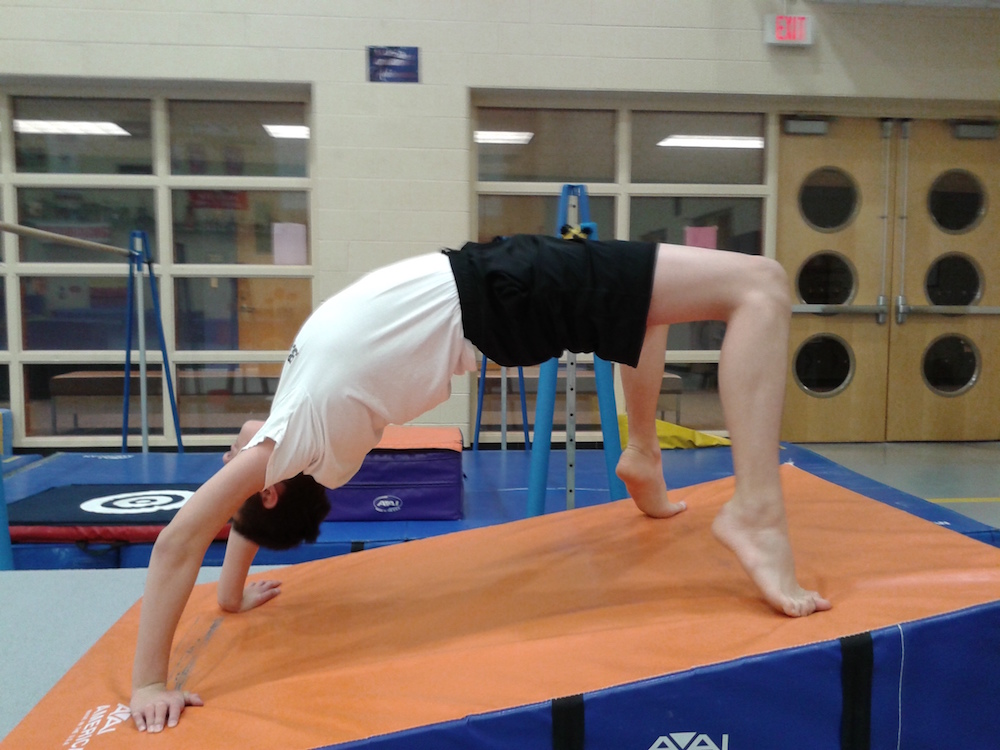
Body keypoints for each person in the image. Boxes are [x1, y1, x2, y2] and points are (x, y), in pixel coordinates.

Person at [129, 234, 831, 733]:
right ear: (273, 486)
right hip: (500, 290)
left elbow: (241, 514)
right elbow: (181, 537)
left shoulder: (301, 444)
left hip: (494, 287)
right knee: (760, 283)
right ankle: (756, 513)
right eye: (232, 465)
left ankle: (642, 454)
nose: (229, 453)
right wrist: (150, 682)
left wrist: (230, 594)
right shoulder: (301, 435)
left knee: (647, 303)